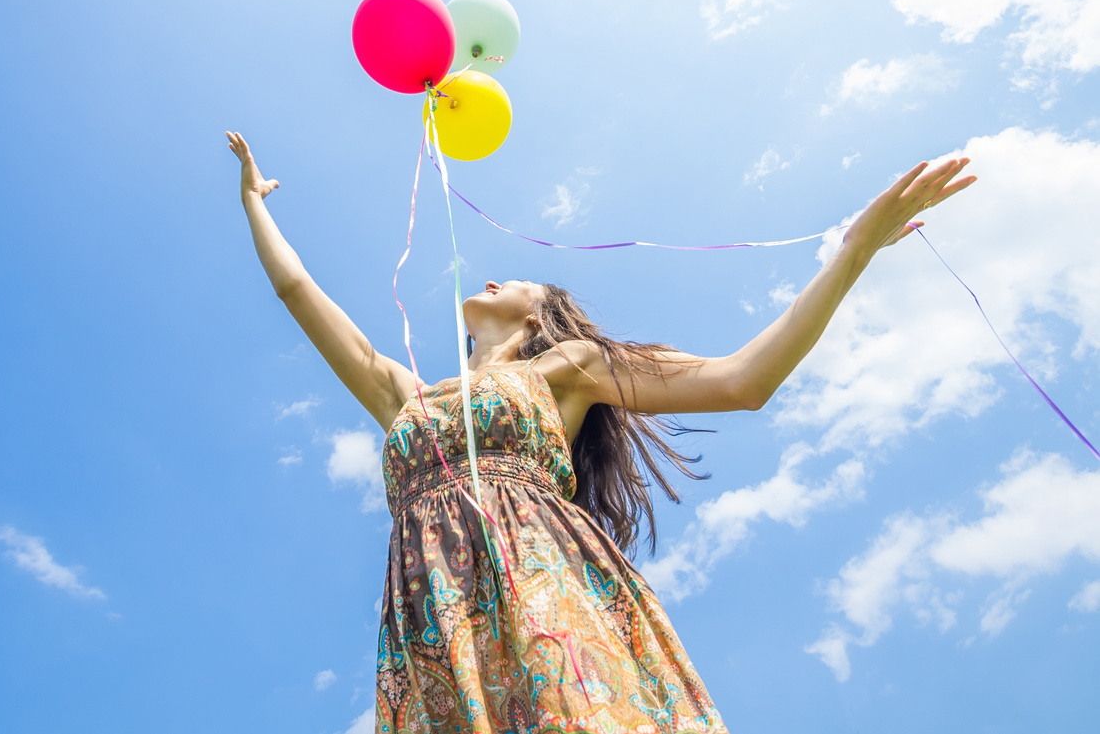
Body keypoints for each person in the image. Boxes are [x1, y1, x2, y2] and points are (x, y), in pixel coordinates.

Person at [226, 130, 975, 734]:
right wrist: (256, 203)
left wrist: (855, 252)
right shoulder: (404, 393)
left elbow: (745, 379)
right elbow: (296, 290)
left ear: (535, 316)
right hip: (434, 614)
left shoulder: (568, 367)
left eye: (513, 279)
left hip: (543, 585)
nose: (490, 279)